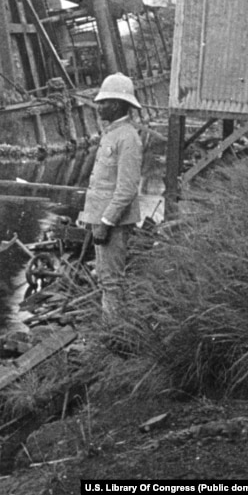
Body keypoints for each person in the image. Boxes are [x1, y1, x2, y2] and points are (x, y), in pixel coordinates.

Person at [81, 73, 143, 314]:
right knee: (107, 279)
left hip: (112, 223)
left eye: (104, 102)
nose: (99, 106)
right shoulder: (113, 133)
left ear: (116, 105)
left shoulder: (127, 138)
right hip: (103, 221)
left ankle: (115, 335)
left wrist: (105, 222)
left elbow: (126, 189)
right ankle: (114, 332)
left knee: (111, 281)